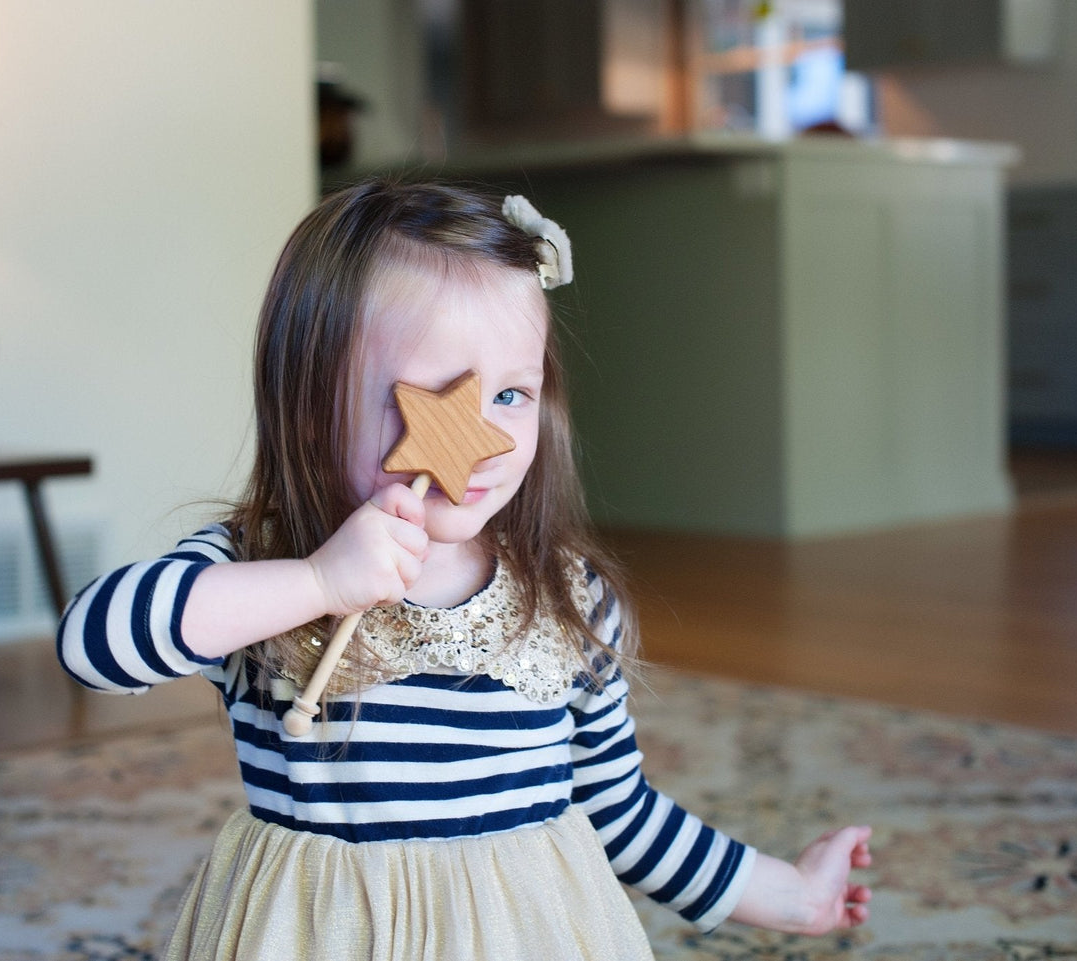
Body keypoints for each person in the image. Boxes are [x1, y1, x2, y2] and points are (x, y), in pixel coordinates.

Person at [57, 179, 872, 960]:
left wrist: (793, 895)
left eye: (510, 395)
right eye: (433, 395)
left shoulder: (569, 601)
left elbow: (615, 808)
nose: (481, 439)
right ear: (309, 407)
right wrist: (315, 584)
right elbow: (92, 647)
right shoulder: (261, 568)